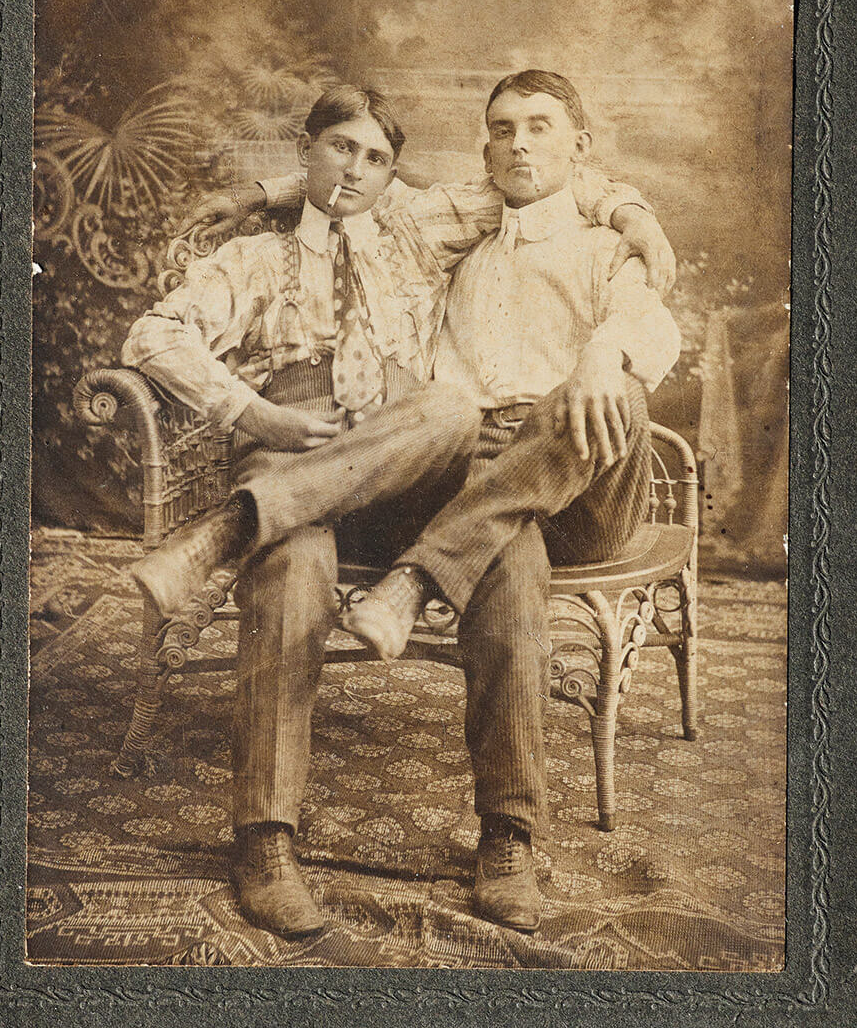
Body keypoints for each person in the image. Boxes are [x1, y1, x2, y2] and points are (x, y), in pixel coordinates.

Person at [121, 80, 673, 939]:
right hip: (302, 446)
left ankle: (509, 836)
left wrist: (630, 229)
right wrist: (251, 410)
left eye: (376, 158)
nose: (355, 170)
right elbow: (156, 333)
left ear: (392, 177)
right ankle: (265, 842)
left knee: (457, 427)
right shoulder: (263, 258)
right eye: (339, 148)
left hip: (428, 451)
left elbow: (555, 187)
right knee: (297, 565)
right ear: (306, 150)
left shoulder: (417, 235)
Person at [345, 70, 681, 932]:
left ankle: (413, 580)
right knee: (506, 553)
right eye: (503, 129)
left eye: (540, 125)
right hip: (481, 483)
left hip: (585, 483)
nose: (520, 142)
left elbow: (650, 323)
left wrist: (602, 354)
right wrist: (262, 192)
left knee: (608, 391)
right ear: (487, 150)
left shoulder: (608, 248)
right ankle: (509, 837)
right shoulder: (458, 246)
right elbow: (352, 189)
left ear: (581, 146)